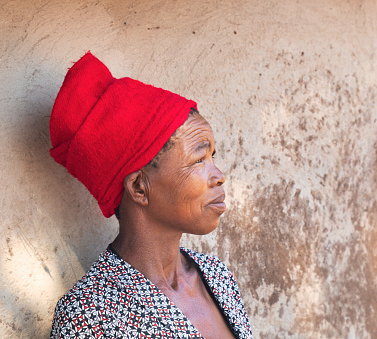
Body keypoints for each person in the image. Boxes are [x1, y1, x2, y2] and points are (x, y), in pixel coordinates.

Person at [49, 52, 252, 338]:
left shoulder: (216, 276)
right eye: (198, 160)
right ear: (139, 188)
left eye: (213, 156)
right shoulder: (91, 316)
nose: (218, 175)